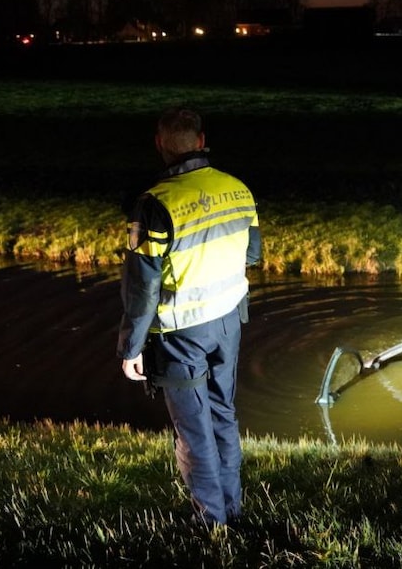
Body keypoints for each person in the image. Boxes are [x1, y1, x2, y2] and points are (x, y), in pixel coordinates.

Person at [117, 106, 261, 526]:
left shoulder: (154, 205)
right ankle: (232, 508)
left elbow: (142, 289)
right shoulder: (239, 189)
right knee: (223, 414)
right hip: (230, 321)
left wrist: (130, 347)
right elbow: (251, 253)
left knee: (193, 429)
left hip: (181, 332)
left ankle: (209, 522)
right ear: (201, 142)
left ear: (160, 144)